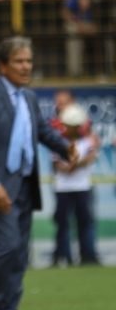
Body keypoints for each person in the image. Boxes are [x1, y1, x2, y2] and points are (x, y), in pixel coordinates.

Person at [0, 36, 76, 310]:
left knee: (18, 252)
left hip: (25, 184)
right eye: (19, 61)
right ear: (3, 66)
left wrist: (65, 147)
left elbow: (41, 131)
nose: (26, 67)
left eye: (28, 61)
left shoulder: (29, 98)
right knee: (7, 247)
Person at [51, 104, 100, 266]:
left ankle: (88, 256)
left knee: (85, 223)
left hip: (82, 187)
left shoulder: (87, 140)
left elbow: (91, 157)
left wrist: (74, 164)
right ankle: (63, 257)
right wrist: (75, 164)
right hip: (63, 188)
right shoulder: (58, 141)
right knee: (63, 224)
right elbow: (59, 165)